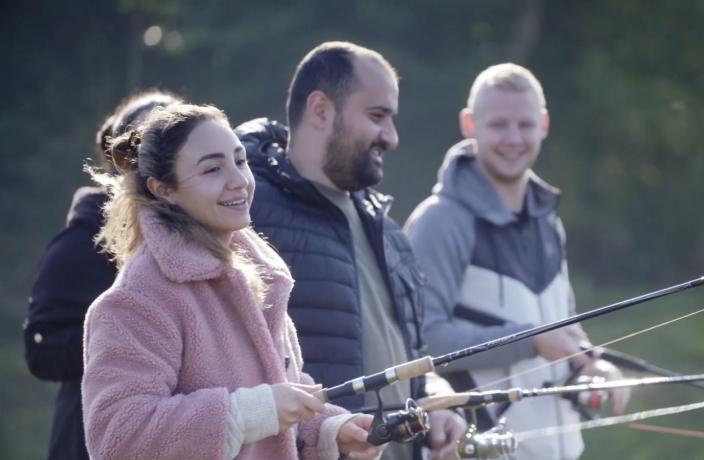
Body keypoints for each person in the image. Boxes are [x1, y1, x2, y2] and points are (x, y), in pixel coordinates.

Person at [81, 103, 380, 460]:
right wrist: (252, 411)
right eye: (212, 169)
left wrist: (331, 431)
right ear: (163, 189)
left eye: (240, 160)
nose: (239, 180)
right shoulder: (137, 299)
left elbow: (279, 399)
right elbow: (119, 436)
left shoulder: (261, 275)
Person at [236, 41, 465, 460]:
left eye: (392, 119)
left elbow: (412, 360)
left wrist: (437, 399)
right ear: (321, 109)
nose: (391, 137)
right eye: (377, 116)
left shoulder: (389, 232)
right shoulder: (246, 214)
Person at [405, 63, 631, 460]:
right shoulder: (438, 221)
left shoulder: (548, 221)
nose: (513, 138)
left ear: (543, 124)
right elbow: (420, 343)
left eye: (525, 125)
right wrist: (531, 340)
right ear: (469, 124)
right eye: (498, 125)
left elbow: (565, 322)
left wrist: (593, 364)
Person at [23, 89, 180, 460]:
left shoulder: (197, 241)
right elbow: (41, 350)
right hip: (87, 440)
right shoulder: (83, 240)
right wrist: (125, 338)